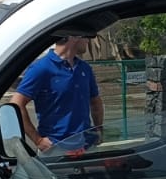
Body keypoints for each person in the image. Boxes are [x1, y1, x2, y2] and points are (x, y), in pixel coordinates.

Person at [11, 23, 105, 153]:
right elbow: (16, 104)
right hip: (55, 149)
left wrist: (98, 129)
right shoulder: (41, 69)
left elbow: (95, 101)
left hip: (86, 146)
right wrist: (38, 140)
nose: (88, 40)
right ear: (74, 36)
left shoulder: (85, 69)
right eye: (87, 36)